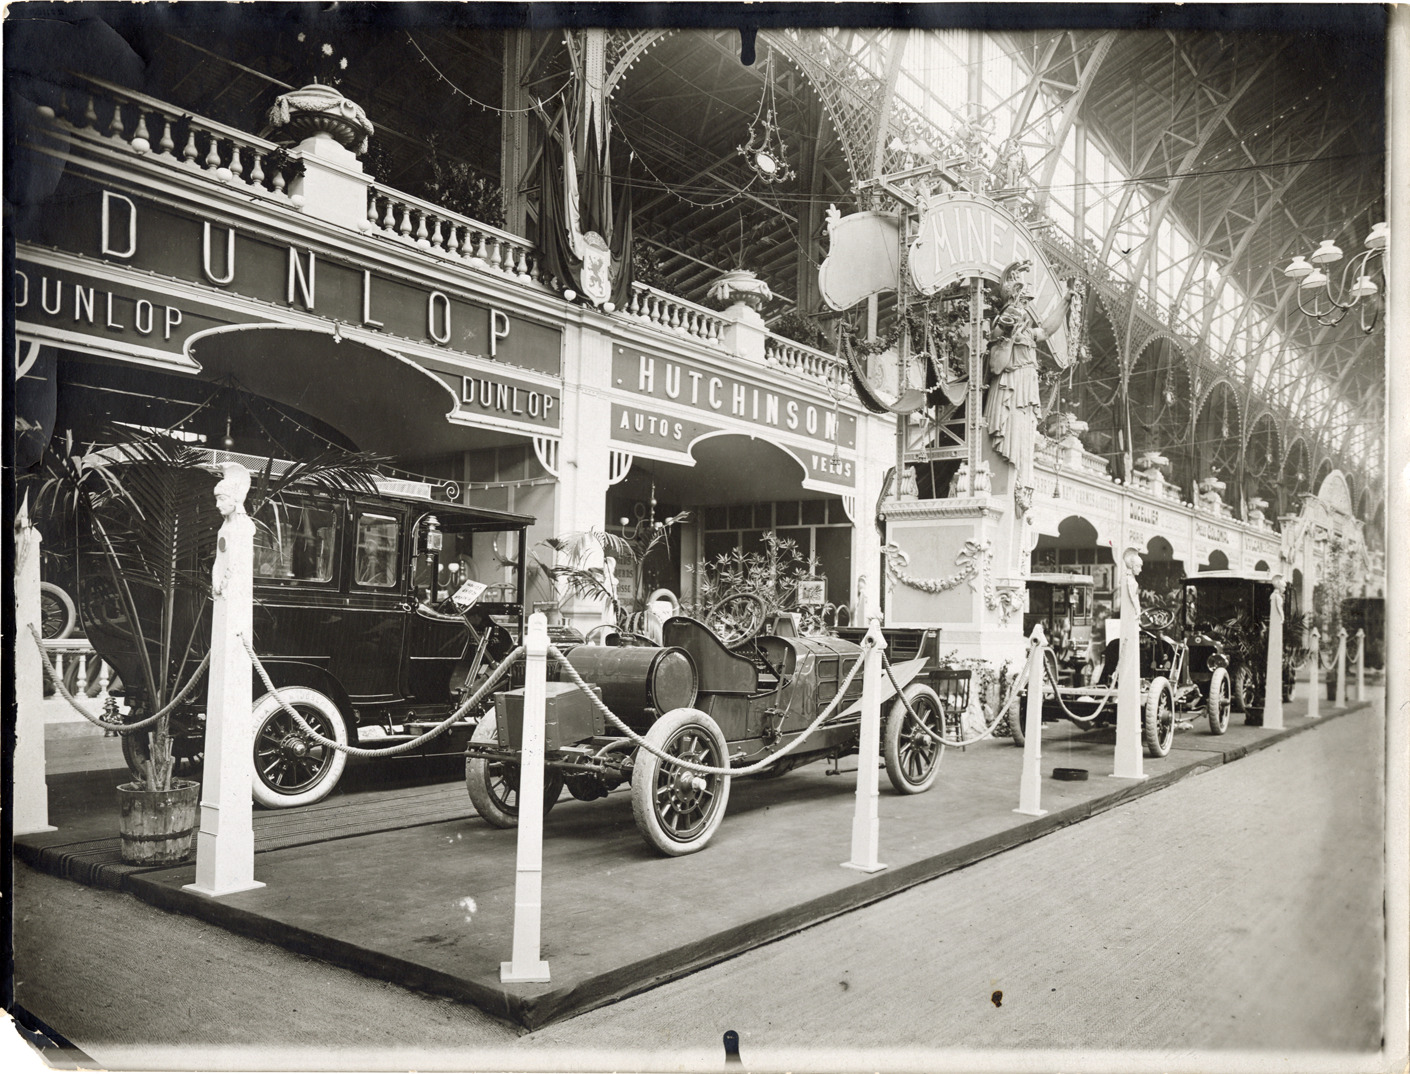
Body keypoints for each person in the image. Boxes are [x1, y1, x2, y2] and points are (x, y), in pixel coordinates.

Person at [984, 261, 1045, 501]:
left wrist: (1066, 301)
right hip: (1011, 386)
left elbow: (1047, 331)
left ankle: (1022, 487)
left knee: (1023, 440)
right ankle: (1017, 488)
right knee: (1012, 440)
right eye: (1021, 301)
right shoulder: (1001, 331)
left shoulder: (1028, 333)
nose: (1024, 307)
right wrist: (1009, 336)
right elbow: (996, 365)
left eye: (1026, 302)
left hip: (1025, 388)